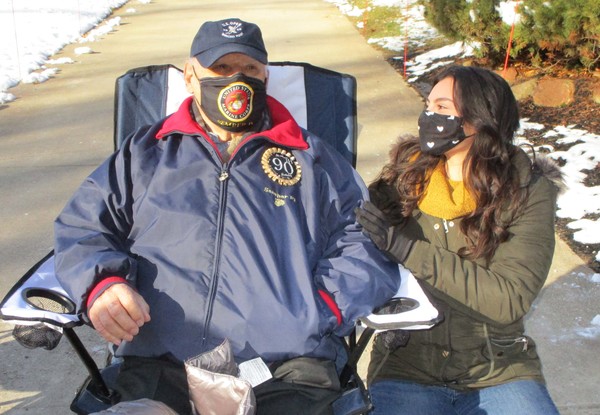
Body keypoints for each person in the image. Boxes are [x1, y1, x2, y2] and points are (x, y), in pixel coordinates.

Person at [54, 18, 400, 414]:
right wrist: (103, 283)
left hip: (285, 368)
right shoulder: (144, 155)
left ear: (265, 76)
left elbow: (365, 238)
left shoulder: (312, 158)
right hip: (160, 364)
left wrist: (323, 306)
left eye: (249, 69)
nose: (236, 79)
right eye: (220, 68)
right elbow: (83, 227)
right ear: (190, 76)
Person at [355, 65, 563, 414]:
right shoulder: (403, 180)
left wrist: (407, 249)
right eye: (428, 106)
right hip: (406, 368)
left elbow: (508, 299)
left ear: (481, 118)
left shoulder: (526, 190)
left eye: (442, 108)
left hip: (499, 370)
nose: (428, 117)